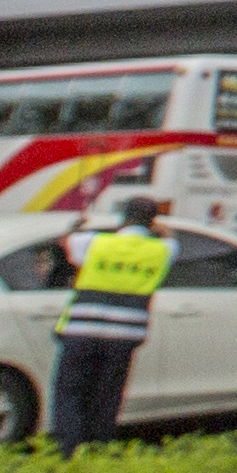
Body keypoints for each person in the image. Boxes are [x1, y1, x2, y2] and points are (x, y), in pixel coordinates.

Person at [54, 190, 170, 444]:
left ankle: (69, 449)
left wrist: (78, 225)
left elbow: (66, 242)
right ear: (152, 221)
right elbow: (169, 238)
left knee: (70, 393)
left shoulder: (93, 242)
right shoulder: (163, 250)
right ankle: (99, 448)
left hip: (82, 330)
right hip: (125, 334)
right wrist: (157, 229)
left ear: (123, 217)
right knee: (107, 396)